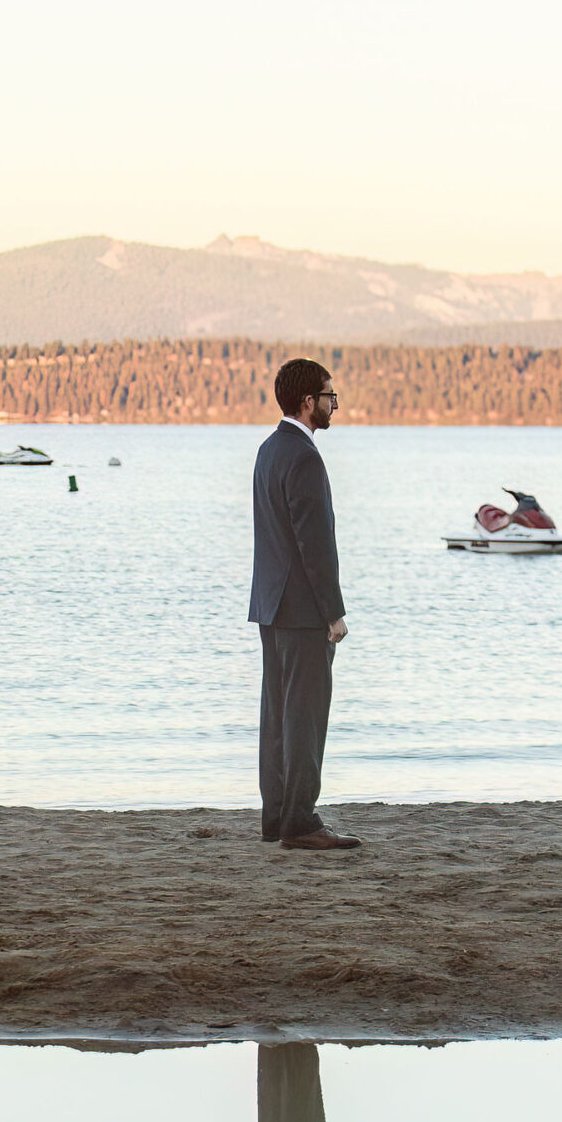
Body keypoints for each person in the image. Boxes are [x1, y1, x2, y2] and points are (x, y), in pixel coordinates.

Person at [247, 355, 359, 851]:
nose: (335, 404)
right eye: (330, 396)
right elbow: (314, 542)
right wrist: (333, 611)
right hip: (302, 608)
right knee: (306, 716)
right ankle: (301, 822)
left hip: (271, 604)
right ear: (307, 401)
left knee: (277, 714)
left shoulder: (268, 450)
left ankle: (276, 818)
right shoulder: (304, 456)